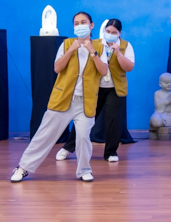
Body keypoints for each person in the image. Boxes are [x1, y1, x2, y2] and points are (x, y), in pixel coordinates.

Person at [11, 11, 108, 183]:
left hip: (86, 102)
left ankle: (84, 170)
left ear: (91, 25)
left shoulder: (100, 47)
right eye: (76, 23)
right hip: (63, 98)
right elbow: (57, 68)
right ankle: (22, 168)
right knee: (44, 135)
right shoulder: (66, 44)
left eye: (83, 22)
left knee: (83, 138)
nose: (80, 26)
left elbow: (103, 71)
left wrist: (92, 51)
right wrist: (71, 49)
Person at [56, 18, 135, 162]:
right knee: (84, 117)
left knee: (114, 121)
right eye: (108, 31)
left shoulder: (125, 45)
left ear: (119, 33)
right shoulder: (95, 44)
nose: (110, 34)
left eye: (114, 32)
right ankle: (67, 148)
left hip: (116, 89)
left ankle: (111, 152)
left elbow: (129, 67)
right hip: (94, 87)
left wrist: (118, 53)